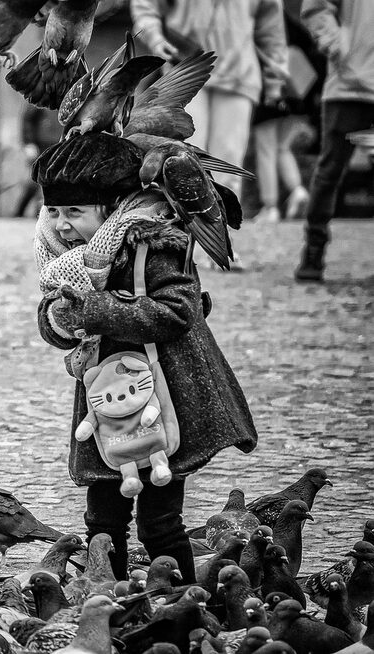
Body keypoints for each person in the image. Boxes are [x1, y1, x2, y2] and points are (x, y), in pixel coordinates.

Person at [32, 132, 258, 580]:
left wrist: (94, 310)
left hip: (168, 395)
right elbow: (53, 321)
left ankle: (184, 604)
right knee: (102, 522)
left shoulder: (154, 244)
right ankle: (106, 598)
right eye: (53, 211)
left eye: (74, 212)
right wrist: (58, 320)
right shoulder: (62, 259)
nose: (59, 224)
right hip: (106, 407)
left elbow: (179, 311)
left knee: (160, 523)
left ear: (111, 207)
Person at [131, 0, 289, 201]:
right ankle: (184, 228)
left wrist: (275, 78)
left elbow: (271, 26)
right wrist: (155, 38)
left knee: (227, 160)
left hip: (238, 73)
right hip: (185, 67)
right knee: (183, 158)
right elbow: (146, 6)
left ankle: (221, 226)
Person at [295, 0, 374, 282]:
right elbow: (316, 6)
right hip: (348, 85)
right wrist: (335, 44)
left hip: (351, 79)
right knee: (330, 171)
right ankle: (313, 253)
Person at [250, 6, 326, 223]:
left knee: (266, 150)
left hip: (269, 92)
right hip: (296, 94)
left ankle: (270, 206)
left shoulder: (255, 15)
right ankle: (297, 190)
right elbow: (309, 43)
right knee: (282, 147)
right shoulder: (285, 19)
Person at [14, 105, 59, 218]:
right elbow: (28, 119)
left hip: (59, 143)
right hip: (41, 145)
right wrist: (28, 142)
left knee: (53, 181)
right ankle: (21, 212)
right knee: (35, 180)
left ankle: (41, 212)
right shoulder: (46, 93)